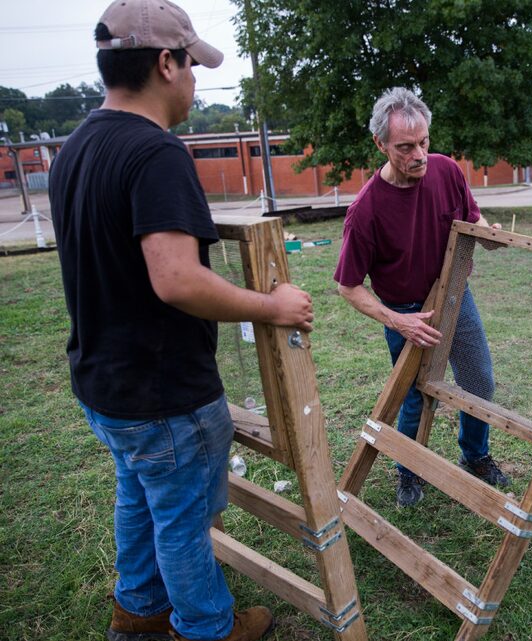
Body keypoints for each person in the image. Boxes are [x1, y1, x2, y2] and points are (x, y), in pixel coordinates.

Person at [49, 2, 313, 640]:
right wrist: (272, 307)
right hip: (163, 393)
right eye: (192, 64)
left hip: (106, 385)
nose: (196, 79)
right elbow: (176, 279)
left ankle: (136, 614)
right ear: (165, 64)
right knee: (184, 523)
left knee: (141, 500)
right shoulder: (155, 152)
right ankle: (208, 627)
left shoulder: (77, 145)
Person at [334, 87, 510, 508]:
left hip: (453, 297)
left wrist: (489, 235)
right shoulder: (366, 210)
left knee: (478, 381)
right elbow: (348, 287)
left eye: (424, 142)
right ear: (380, 144)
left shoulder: (447, 171)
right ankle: (408, 472)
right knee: (414, 395)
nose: (419, 155)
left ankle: (475, 454)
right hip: (405, 311)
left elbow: (472, 218)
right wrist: (398, 321)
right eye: (406, 147)